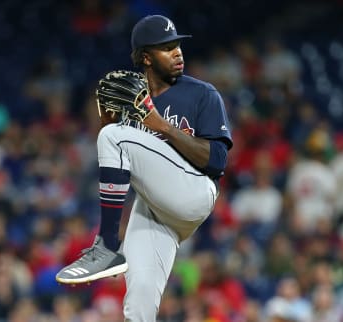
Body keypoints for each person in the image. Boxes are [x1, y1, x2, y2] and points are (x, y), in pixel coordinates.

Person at [55, 14, 233, 321]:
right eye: (167, 48)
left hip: (195, 191)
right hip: (155, 208)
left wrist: (161, 127)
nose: (178, 52)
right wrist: (109, 121)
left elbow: (217, 161)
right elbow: (119, 163)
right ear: (146, 58)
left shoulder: (202, 93)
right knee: (138, 305)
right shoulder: (131, 102)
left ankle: (108, 246)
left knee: (113, 137)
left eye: (178, 45)